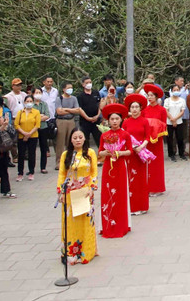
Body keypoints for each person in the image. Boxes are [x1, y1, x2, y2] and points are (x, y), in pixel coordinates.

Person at [57, 128, 98, 264]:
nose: (78, 140)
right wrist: (61, 192)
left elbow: (93, 173)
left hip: (85, 192)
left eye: (80, 137)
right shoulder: (66, 155)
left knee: (85, 221)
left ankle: (87, 251)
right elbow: (62, 174)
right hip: (69, 192)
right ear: (70, 140)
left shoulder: (90, 153)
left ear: (85, 138)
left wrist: (92, 188)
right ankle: (71, 253)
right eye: (75, 138)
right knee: (71, 223)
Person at [99, 103, 134, 238]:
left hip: (120, 166)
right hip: (108, 167)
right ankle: (107, 225)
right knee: (108, 194)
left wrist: (119, 153)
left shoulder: (125, 135)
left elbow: (130, 151)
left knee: (120, 194)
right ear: (108, 121)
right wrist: (107, 152)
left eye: (116, 119)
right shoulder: (105, 135)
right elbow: (100, 152)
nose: (114, 121)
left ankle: (121, 225)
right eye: (112, 119)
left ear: (121, 120)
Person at [121, 96, 150, 215]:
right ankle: (132, 206)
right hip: (130, 153)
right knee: (130, 179)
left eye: (136, 107)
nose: (134, 109)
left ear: (140, 109)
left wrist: (141, 147)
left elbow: (147, 137)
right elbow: (123, 137)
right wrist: (130, 147)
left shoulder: (145, 121)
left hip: (141, 153)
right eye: (132, 107)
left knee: (141, 180)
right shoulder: (126, 122)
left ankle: (142, 205)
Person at [142, 83, 167, 195]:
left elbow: (164, 124)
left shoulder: (162, 110)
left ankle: (158, 187)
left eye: (152, 95)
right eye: (148, 95)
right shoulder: (144, 110)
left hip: (157, 140)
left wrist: (155, 128)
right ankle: (148, 187)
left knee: (157, 164)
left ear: (157, 97)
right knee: (148, 164)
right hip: (147, 140)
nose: (150, 97)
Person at [14, 95, 41, 181]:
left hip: (33, 136)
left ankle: (31, 172)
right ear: (24, 102)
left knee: (31, 154)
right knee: (21, 155)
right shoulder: (20, 112)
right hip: (22, 136)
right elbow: (16, 124)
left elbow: (37, 125)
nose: (29, 103)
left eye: (30, 101)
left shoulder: (36, 112)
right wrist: (24, 133)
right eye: (27, 101)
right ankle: (20, 173)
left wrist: (29, 134)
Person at [56, 82, 80, 160]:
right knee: (60, 142)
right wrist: (71, 110)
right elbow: (59, 111)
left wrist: (66, 109)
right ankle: (59, 161)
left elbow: (77, 110)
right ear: (63, 89)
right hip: (61, 121)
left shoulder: (74, 98)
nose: (70, 89)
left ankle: (71, 159)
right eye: (68, 88)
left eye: (71, 88)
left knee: (71, 141)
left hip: (71, 120)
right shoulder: (59, 98)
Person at [76, 77, 102, 149]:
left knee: (99, 139)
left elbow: (100, 104)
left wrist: (97, 115)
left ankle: (101, 157)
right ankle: (85, 155)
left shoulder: (96, 93)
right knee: (85, 140)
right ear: (83, 84)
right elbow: (79, 109)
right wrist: (88, 118)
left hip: (96, 120)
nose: (89, 84)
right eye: (87, 83)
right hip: (85, 121)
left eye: (90, 82)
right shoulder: (80, 96)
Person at [163, 86, 187, 162]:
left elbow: (182, 111)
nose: (176, 91)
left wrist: (175, 119)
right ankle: (171, 154)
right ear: (171, 91)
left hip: (179, 121)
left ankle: (181, 154)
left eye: (177, 90)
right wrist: (172, 119)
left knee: (180, 138)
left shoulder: (182, 100)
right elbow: (166, 111)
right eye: (174, 90)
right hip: (169, 122)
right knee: (170, 139)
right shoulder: (167, 100)